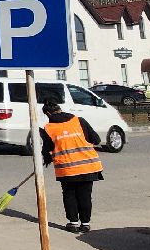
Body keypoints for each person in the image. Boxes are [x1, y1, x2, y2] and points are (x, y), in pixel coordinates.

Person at [38, 99, 104, 233]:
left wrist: (46, 158)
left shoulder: (49, 128)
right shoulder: (80, 121)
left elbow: (47, 150)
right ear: (60, 109)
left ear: (48, 114)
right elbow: (96, 139)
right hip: (88, 166)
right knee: (85, 196)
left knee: (69, 195)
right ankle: (85, 224)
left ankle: (73, 223)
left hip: (67, 169)